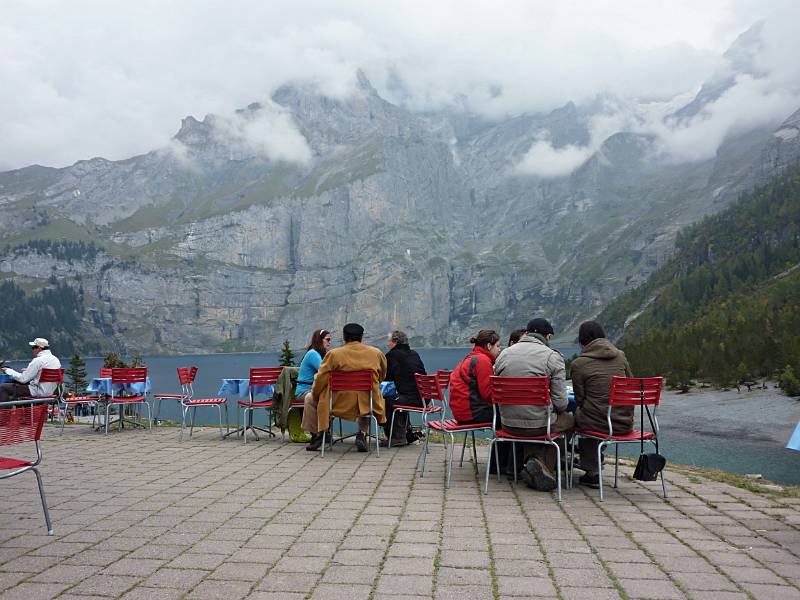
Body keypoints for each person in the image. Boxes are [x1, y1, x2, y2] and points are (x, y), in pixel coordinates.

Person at [493, 318, 573, 492]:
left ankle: (534, 463)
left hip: (507, 425)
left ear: (527, 333)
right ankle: (545, 466)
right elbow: (561, 403)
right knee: (569, 421)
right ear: (548, 336)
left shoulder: (504, 354)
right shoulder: (552, 357)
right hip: (539, 426)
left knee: (535, 418)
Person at [571, 320, 633, 489]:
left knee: (573, 418)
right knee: (593, 414)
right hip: (623, 423)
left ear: (582, 340)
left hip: (597, 424)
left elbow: (580, 399)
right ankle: (593, 456)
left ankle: (589, 470)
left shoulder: (579, 364)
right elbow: (631, 383)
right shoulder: (620, 355)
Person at [312, 323, 387, 452]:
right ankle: (362, 433)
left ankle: (323, 434)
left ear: (344, 337)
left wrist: (315, 394)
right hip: (367, 402)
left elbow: (321, 378)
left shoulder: (333, 354)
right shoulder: (376, 353)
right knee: (366, 397)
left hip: (337, 403)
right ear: (361, 337)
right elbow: (382, 375)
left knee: (324, 395)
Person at [382, 330, 427, 446]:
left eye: (389, 341)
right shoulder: (414, 353)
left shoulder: (392, 355)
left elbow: (387, 379)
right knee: (398, 398)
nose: (387, 344)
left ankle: (396, 437)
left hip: (411, 398)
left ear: (395, 341)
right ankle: (407, 433)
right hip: (425, 398)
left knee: (386, 400)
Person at [449, 330, 502, 425]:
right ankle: (505, 440)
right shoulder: (482, 360)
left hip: (461, 414)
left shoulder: (472, 357)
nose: (500, 349)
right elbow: (488, 395)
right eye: (498, 346)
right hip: (473, 414)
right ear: (489, 346)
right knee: (510, 415)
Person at [297, 329, 332, 451]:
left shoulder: (318, 353)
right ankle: (316, 434)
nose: (329, 342)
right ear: (320, 340)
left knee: (325, 398)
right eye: (327, 339)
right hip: (303, 390)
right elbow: (324, 370)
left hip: (314, 388)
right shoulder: (313, 354)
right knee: (315, 399)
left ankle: (323, 432)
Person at [0, 338, 62, 403]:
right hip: (50, 392)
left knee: (3, 387)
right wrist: (30, 371)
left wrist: (9, 371)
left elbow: (23, 379)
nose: (32, 349)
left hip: (37, 391)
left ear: (39, 348)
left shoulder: (38, 360)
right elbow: (45, 371)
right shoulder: (55, 360)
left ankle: (4, 412)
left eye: (33, 347)